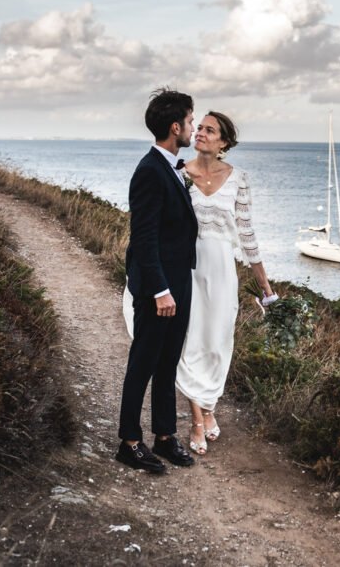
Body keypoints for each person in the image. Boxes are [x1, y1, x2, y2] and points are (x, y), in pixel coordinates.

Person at [175, 111, 276, 456]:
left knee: (217, 344)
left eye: (209, 130)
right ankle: (197, 421)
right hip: (186, 269)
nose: (200, 133)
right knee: (190, 343)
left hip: (221, 273)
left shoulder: (238, 179)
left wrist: (265, 285)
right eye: (199, 127)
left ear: (224, 143)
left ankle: (209, 407)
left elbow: (247, 235)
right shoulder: (179, 173)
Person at [116, 88, 198, 474]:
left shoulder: (171, 167)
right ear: (175, 127)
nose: (194, 128)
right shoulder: (150, 171)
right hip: (157, 287)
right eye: (191, 121)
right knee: (144, 363)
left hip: (179, 281)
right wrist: (160, 291)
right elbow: (144, 238)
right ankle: (129, 442)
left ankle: (164, 437)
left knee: (168, 364)